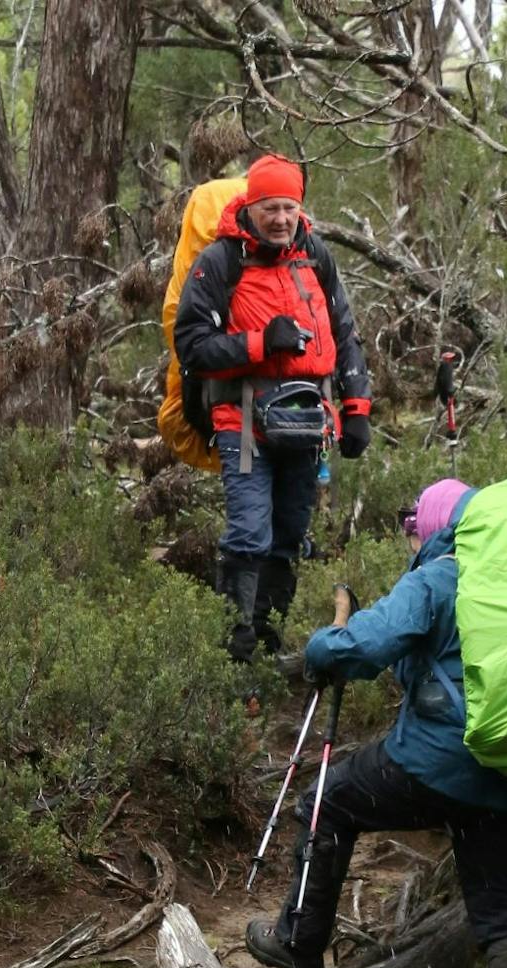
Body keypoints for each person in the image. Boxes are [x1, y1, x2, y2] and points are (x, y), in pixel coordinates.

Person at [244, 478, 507, 968]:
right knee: (505, 920)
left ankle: (299, 947)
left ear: (439, 523)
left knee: (330, 799)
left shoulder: (440, 577)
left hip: (438, 764)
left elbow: (362, 644)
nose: (411, 533)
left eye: (415, 521)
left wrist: (317, 649)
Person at [173, 154, 373, 663]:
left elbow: (345, 334)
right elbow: (193, 344)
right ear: (251, 205)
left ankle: (267, 640)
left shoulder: (315, 256)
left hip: (306, 425)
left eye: (289, 207)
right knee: (248, 533)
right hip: (242, 422)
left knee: (288, 534)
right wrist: (262, 343)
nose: (280, 219)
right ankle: (235, 652)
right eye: (270, 208)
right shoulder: (220, 262)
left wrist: (356, 409)